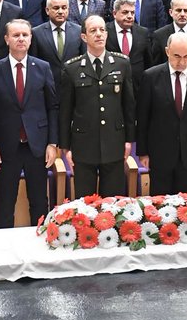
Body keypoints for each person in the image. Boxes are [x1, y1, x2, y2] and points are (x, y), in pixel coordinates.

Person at [0, 20, 59, 228]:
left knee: (39, 201)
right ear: (7, 39)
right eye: (16, 35)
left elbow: (53, 107)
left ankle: (40, 246)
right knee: (5, 202)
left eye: (25, 35)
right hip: (7, 146)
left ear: (30, 38)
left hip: (37, 145)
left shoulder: (42, 68)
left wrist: (52, 143)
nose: (21, 39)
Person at [58, 14, 135, 197]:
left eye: (102, 30)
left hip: (114, 143)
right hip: (83, 145)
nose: (99, 34)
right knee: (86, 204)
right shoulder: (72, 68)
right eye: (93, 30)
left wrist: (128, 140)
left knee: (112, 204)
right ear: (84, 37)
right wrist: (66, 148)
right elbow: (65, 112)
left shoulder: (122, 63)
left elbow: (128, 106)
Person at [136, 29, 187, 197]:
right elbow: (143, 117)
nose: (182, 62)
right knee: (160, 204)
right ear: (167, 51)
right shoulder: (151, 76)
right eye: (177, 56)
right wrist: (143, 152)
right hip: (159, 152)